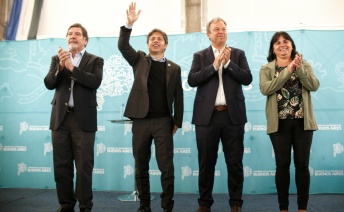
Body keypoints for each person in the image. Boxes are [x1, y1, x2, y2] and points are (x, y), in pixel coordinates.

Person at [118, 2, 183, 212]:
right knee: (141, 165)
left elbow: (179, 96)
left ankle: (167, 206)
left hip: (164, 121)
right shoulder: (139, 60)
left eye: (160, 39)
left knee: (166, 167)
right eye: (152, 39)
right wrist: (129, 24)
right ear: (147, 44)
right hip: (141, 121)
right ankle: (144, 205)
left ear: (165, 45)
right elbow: (123, 46)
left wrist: (177, 121)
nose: (156, 41)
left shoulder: (175, 68)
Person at [188, 17, 252, 212]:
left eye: (224, 28)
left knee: (235, 163)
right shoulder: (200, 56)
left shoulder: (238, 54)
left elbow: (247, 78)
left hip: (232, 116)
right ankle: (204, 203)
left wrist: (228, 64)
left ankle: (235, 203)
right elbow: (192, 80)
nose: (221, 32)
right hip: (207, 118)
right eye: (216, 29)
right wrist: (215, 65)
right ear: (208, 34)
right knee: (206, 163)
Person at [44, 23, 104, 212]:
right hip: (60, 120)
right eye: (70, 33)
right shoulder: (57, 59)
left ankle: (85, 206)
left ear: (85, 40)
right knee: (61, 166)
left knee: (84, 167)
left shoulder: (95, 60)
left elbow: (94, 81)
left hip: (83, 121)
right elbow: (49, 83)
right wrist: (61, 67)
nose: (73, 36)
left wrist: (72, 68)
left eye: (77, 34)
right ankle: (66, 205)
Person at [259, 31, 320, 212]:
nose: (282, 45)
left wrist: (299, 68)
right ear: (273, 48)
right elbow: (266, 89)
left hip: (303, 123)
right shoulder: (266, 68)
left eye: (286, 41)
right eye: (277, 43)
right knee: (282, 166)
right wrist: (288, 70)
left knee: (302, 165)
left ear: (292, 45)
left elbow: (314, 86)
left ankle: (302, 208)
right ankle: (283, 208)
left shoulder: (305, 65)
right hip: (279, 124)